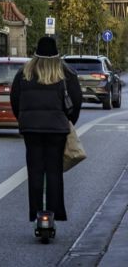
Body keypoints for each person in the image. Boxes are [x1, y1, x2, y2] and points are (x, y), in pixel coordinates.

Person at [10, 36, 83, 226]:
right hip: (57, 130)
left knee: (35, 170)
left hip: (31, 129)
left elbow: (15, 101)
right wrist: (68, 122)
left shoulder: (24, 73)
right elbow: (76, 101)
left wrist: (24, 121)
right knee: (54, 171)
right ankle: (53, 213)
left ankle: (36, 213)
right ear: (57, 53)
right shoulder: (65, 73)